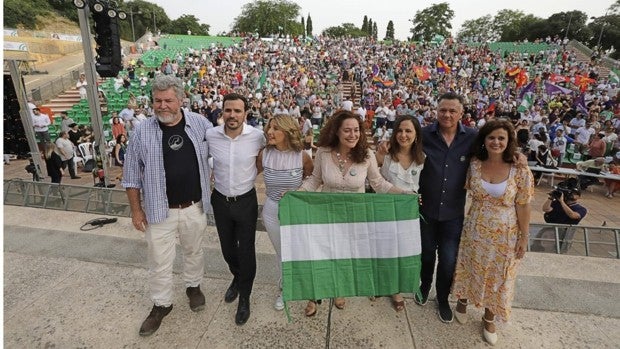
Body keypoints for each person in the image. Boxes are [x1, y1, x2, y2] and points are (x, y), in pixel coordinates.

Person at [122, 75, 212, 337]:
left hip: (194, 206)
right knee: (159, 261)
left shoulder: (199, 123)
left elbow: (221, 148)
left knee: (194, 251)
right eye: (157, 101)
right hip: (159, 211)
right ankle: (162, 304)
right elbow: (130, 175)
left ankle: (193, 287)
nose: (162, 106)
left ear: (181, 100)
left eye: (168, 100)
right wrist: (136, 210)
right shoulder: (141, 131)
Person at [299, 110, 410, 317]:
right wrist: (296, 195)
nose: (353, 135)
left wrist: (404, 193)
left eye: (356, 130)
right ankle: (314, 295)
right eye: (347, 130)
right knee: (320, 257)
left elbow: (378, 184)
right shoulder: (323, 152)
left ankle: (339, 290)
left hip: (353, 218)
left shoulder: (366, 155)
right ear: (337, 132)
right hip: (326, 215)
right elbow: (314, 180)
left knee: (343, 258)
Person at [451, 119, 533, 346]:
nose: (496, 142)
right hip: (475, 227)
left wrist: (523, 238)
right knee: (469, 265)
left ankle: (489, 316)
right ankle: (462, 301)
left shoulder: (520, 169)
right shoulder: (475, 164)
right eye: (491, 137)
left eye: (501, 138)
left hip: (505, 232)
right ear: (484, 140)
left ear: (509, 142)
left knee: (499, 274)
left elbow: (524, 204)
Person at [415, 92, 477, 323]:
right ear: (436, 111)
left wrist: (516, 158)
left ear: (461, 113)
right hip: (426, 210)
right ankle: (423, 286)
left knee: (449, 260)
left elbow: (495, 152)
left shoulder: (472, 137)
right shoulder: (423, 134)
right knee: (427, 255)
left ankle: (442, 298)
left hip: (453, 213)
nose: (447, 115)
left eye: (452, 111)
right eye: (443, 110)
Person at [206, 92, 266, 326]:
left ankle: (245, 296)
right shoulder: (211, 135)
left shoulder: (257, 137)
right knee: (227, 249)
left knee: (246, 250)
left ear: (245, 114)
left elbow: (264, 161)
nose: (232, 115)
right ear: (222, 111)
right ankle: (237, 277)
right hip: (220, 200)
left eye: (237, 111)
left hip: (246, 201)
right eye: (228, 110)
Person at [256, 114, 314, 311]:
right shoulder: (264, 154)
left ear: (287, 132)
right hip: (271, 210)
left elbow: (311, 179)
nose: (269, 132)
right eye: (269, 128)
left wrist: (296, 192)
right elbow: (253, 173)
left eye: (275, 129)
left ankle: (298, 282)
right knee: (282, 251)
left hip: (295, 211)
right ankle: (286, 288)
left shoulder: (302, 156)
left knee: (296, 250)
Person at [375, 115, 425, 312]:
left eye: (408, 131)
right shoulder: (383, 154)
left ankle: (396, 289)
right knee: (384, 249)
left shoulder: (423, 158)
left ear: (416, 134)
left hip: (408, 214)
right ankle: (383, 284)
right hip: (386, 211)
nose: (403, 135)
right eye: (400, 131)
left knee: (402, 252)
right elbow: (372, 177)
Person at [531, 178, 587, 251]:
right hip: (550, 231)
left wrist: (562, 202)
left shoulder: (581, 209)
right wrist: (551, 197)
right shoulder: (556, 204)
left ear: (578, 196)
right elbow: (546, 209)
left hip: (564, 234)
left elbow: (573, 215)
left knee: (558, 250)